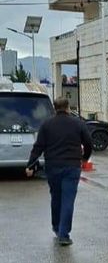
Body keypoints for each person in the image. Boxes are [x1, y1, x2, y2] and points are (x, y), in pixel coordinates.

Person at [25, 96, 92, 245]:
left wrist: (30, 165)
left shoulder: (47, 125)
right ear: (68, 108)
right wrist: (84, 158)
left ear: (55, 109)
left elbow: (38, 147)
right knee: (68, 199)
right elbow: (88, 143)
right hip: (72, 166)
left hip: (53, 167)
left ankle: (56, 227)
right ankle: (64, 234)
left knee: (56, 198)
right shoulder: (78, 123)